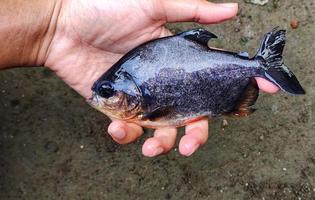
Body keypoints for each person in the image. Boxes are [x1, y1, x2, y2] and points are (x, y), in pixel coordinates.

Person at [1, 0, 280, 157]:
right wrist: (54, 24)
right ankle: (259, 65)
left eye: (108, 92)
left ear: (129, 93)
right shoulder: (135, 81)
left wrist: (55, 23)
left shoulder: (144, 103)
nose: (99, 97)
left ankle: (259, 65)